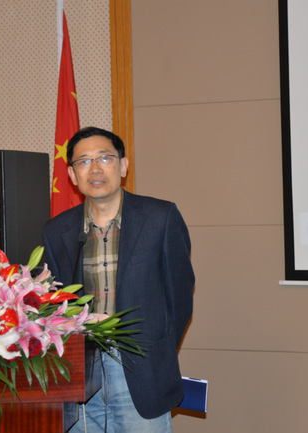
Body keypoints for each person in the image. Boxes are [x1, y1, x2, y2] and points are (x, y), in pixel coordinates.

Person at [42, 126, 195, 432]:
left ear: (123, 166)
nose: (95, 169)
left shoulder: (160, 217)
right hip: (80, 372)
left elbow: (179, 299)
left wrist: (154, 350)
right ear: (72, 175)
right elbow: (52, 303)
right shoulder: (57, 230)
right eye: (84, 161)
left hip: (141, 370)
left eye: (104, 158)